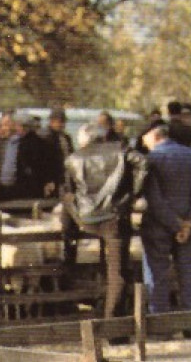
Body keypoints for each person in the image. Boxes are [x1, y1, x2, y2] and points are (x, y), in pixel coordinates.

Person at [60, 122, 146, 320]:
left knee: (65, 198)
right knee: (117, 272)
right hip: (114, 217)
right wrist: (132, 193)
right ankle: (113, 321)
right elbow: (143, 163)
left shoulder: (73, 159)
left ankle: (69, 242)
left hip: (86, 218)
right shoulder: (120, 149)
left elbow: (69, 189)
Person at [139, 120, 191, 313]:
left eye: (144, 139)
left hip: (158, 226)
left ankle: (161, 326)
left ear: (153, 136)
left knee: (157, 275)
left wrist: (174, 223)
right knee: (188, 273)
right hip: (188, 225)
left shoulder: (150, 160)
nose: (144, 144)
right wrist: (189, 224)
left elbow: (154, 199)